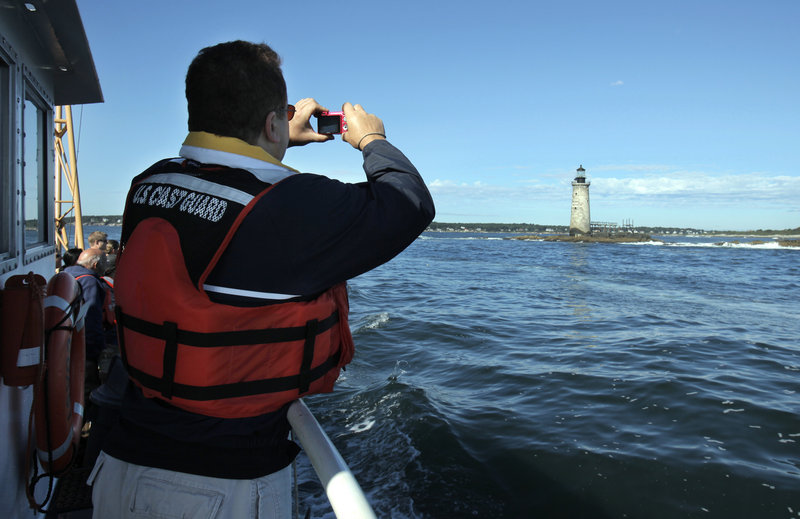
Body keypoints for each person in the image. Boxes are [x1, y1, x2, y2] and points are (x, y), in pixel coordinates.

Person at [88, 40, 434, 518]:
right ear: (273, 121)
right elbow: (408, 203)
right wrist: (371, 139)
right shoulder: (289, 205)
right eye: (278, 122)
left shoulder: (149, 183)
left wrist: (271, 139)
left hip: (117, 459)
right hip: (215, 484)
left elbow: (222, 184)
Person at [64, 248, 111, 397]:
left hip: (64, 342)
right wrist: (96, 348)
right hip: (83, 347)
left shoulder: (66, 275)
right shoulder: (90, 282)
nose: (107, 266)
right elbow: (91, 317)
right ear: (96, 265)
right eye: (104, 262)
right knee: (87, 388)